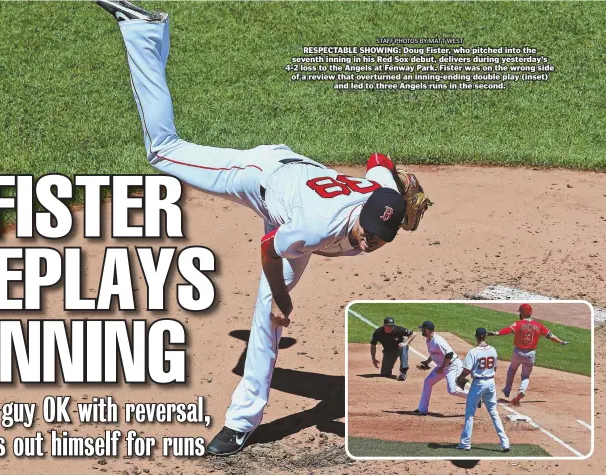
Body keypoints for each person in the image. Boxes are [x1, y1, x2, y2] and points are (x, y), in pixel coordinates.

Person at [95, 1, 432, 456]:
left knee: (270, 318)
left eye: (377, 237)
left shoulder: (377, 194)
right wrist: (281, 296)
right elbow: (272, 246)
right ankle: (143, 33)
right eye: (367, 229)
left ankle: (239, 421)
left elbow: (378, 163)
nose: (368, 239)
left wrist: (397, 183)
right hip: (262, 176)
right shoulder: (314, 228)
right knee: (164, 151)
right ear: (362, 212)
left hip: (299, 192)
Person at [488, 303, 569, 406]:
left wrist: (496, 333)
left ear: (521, 313)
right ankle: (522, 390)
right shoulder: (538, 325)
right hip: (530, 354)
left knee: (512, 370)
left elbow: (508, 330)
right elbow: (550, 335)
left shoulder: (519, 324)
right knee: (525, 376)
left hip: (518, 353)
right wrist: (561, 341)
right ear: (530, 313)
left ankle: (507, 389)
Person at [455, 328, 510, 452]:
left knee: (470, 413)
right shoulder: (493, 350)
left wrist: (460, 377)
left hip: (478, 384)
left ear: (476, 336)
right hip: (491, 382)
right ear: (485, 336)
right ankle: (505, 443)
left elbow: (467, 370)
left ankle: (465, 443)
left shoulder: (473, 352)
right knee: (494, 412)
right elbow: (494, 368)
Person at [413, 321, 468, 415]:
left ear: (426, 330)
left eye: (422, 328)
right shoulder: (428, 340)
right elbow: (434, 353)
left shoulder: (438, 341)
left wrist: (442, 368)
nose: (421, 330)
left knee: (452, 390)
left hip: (452, 366)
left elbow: (449, 354)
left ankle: (475, 396)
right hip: (444, 365)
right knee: (428, 381)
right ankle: (422, 409)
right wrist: (427, 362)